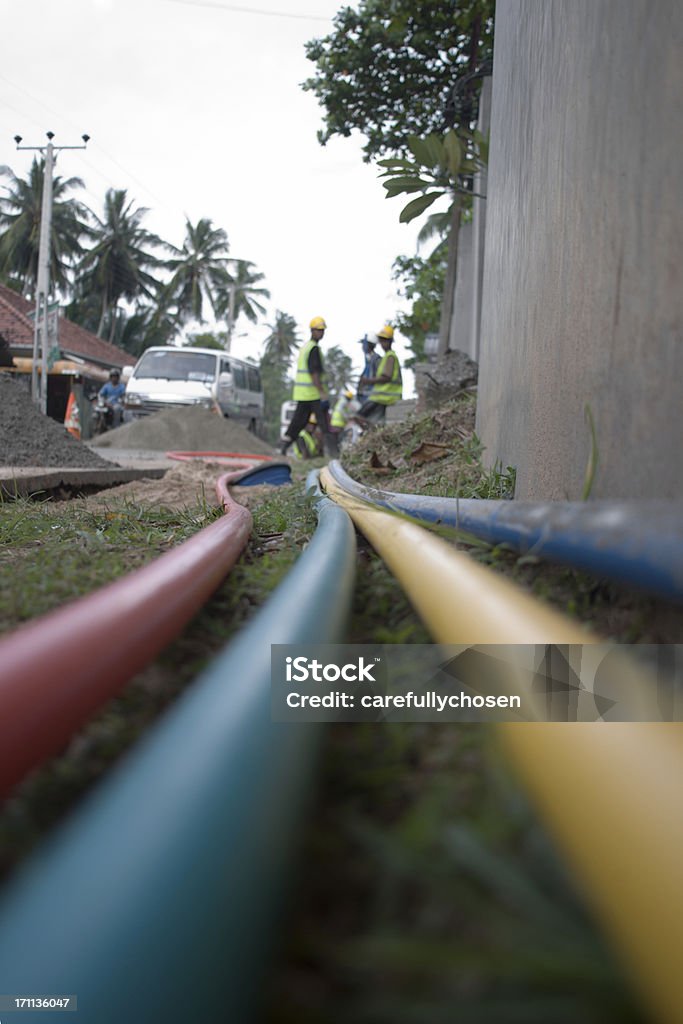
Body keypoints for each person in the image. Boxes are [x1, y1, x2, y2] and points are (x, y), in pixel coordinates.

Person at [280, 316, 331, 455]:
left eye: (322, 330)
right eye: (318, 330)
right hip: (313, 394)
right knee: (323, 422)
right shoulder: (313, 349)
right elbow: (314, 373)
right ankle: (332, 452)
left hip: (303, 395)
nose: (321, 333)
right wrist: (321, 392)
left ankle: (284, 447)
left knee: (299, 422)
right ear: (312, 331)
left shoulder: (306, 348)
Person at [357, 325, 402, 425]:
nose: (382, 343)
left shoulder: (390, 357)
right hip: (382, 396)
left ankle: (370, 432)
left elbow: (386, 377)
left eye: (385, 340)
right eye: (381, 340)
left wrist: (368, 381)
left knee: (360, 416)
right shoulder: (385, 357)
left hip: (384, 397)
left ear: (390, 341)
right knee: (378, 421)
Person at [356, 334, 381, 403]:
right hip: (366, 396)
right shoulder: (368, 360)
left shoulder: (376, 359)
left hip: (373, 396)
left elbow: (380, 377)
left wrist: (367, 381)